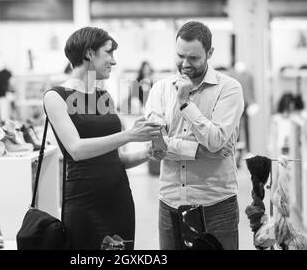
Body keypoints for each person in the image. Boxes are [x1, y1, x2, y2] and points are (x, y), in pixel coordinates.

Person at [43, 26, 164, 250]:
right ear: (90, 54)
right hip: (84, 203)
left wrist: (148, 153)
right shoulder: (56, 97)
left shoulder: (103, 96)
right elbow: (76, 150)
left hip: (119, 198)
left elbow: (118, 160)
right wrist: (128, 135)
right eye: (109, 53)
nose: (114, 61)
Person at [145, 21, 244, 250]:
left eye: (194, 58)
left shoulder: (229, 88)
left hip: (216, 204)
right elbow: (156, 146)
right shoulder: (160, 89)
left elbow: (216, 140)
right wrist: (199, 150)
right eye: (180, 56)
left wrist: (184, 102)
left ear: (210, 53)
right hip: (170, 201)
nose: (185, 64)